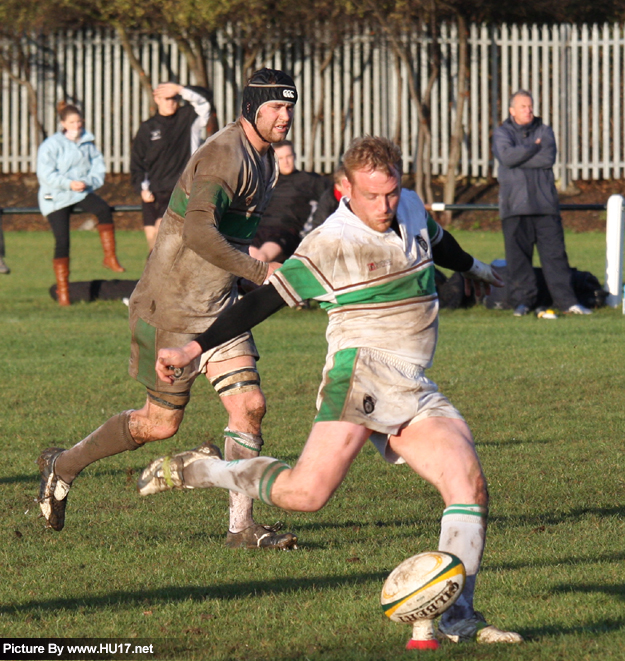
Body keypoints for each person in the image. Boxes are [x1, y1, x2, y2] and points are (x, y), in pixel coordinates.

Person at [140, 136, 523, 648]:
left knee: (469, 485)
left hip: (413, 382)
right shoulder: (330, 241)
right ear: (345, 190)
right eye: (372, 197)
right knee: (306, 494)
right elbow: (263, 302)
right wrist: (194, 348)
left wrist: (473, 268)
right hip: (360, 376)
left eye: (391, 193)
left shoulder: (406, 205)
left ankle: (459, 619)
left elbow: (438, 238)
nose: (385, 206)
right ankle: (204, 469)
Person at [36, 69, 299, 551]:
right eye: (275, 108)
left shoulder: (267, 163)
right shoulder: (224, 156)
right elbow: (199, 234)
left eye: (290, 107)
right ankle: (64, 466)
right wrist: (262, 273)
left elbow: (229, 239)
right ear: (251, 110)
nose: (285, 117)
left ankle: (240, 528)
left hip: (219, 308)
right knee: (160, 424)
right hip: (171, 310)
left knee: (251, 406)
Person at [493, 90, 592, 318]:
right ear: (512, 111)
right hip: (514, 208)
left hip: (545, 207)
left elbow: (547, 158)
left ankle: (568, 302)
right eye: (523, 107)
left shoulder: (544, 131)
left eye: (530, 106)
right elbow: (506, 158)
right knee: (518, 261)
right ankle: (523, 303)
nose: (528, 110)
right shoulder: (502, 133)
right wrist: (532, 148)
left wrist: (522, 156)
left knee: (555, 257)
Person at [37, 101, 125, 307]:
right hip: (55, 195)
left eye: (78, 121)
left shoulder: (88, 142)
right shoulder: (51, 145)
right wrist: (68, 183)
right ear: (63, 124)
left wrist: (87, 183)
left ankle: (110, 257)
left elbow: (98, 169)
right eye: (71, 122)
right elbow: (45, 174)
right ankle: (64, 292)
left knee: (103, 209)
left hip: (80, 191)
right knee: (62, 241)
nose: (76, 125)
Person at [131, 82, 212, 251]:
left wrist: (180, 89)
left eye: (175, 98)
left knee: (162, 232)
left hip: (180, 189)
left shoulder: (189, 118)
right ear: (157, 99)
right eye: (167, 99)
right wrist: (142, 188)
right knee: (152, 239)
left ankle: (162, 275)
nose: (171, 102)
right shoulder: (148, 128)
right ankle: (158, 275)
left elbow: (205, 100)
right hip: (153, 192)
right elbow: (138, 163)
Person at [249, 140, 328, 263]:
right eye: (281, 158)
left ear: (295, 156)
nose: (286, 162)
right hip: (260, 229)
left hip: (286, 231)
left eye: (289, 156)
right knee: (245, 261)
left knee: (261, 259)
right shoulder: (268, 182)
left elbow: (333, 197)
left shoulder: (310, 180)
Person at [305, 164, 348, 235]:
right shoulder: (328, 200)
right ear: (338, 187)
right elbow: (318, 225)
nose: (350, 188)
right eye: (346, 186)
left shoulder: (359, 198)